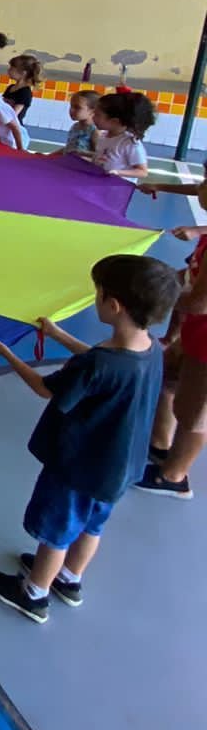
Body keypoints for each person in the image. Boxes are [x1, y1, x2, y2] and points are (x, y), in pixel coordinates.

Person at [0, 253, 181, 622]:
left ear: (113, 305)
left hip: (80, 467)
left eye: (97, 293)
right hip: (120, 466)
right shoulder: (150, 349)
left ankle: (34, 592)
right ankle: (70, 579)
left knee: (57, 530)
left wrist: (5, 352)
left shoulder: (98, 364)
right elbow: (100, 361)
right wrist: (58, 335)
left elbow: (44, 387)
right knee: (91, 526)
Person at [135, 177, 207, 499]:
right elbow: (192, 278)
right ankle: (161, 447)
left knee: (195, 414)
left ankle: (174, 477)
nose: (200, 187)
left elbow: (199, 301)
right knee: (168, 380)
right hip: (194, 332)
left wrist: (155, 295)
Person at [93, 91, 152, 180]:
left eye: (97, 115)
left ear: (115, 121)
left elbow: (142, 172)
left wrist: (117, 172)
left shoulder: (130, 143)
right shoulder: (103, 136)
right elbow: (101, 156)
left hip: (117, 188)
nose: (93, 117)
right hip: (102, 183)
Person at [2, 54, 42, 122]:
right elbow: (2, 106)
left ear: (23, 73)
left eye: (11, 68)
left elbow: (14, 115)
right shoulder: (10, 87)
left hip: (14, 126)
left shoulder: (25, 92)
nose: (8, 70)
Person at [62, 90, 99, 158]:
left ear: (92, 111)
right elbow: (68, 149)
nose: (71, 110)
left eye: (77, 107)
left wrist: (82, 153)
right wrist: (48, 156)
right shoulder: (75, 126)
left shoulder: (95, 131)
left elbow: (99, 156)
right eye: (71, 106)